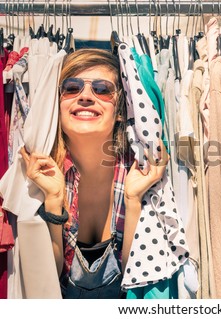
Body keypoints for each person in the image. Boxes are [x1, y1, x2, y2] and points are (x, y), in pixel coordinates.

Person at [19, 49, 168, 298]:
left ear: (120, 109)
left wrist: (132, 201)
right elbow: (46, 281)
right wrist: (54, 201)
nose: (86, 96)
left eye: (102, 89)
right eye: (72, 87)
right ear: (57, 104)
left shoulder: (138, 172)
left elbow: (136, 280)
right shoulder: (42, 173)